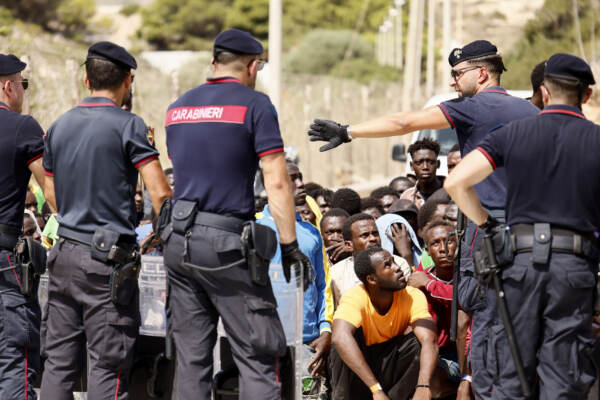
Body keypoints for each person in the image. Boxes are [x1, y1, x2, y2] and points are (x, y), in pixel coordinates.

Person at [307, 40, 542, 398]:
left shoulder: (474, 108)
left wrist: (348, 131)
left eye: (457, 74)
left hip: (486, 227)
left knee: (480, 314)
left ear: (481, 74)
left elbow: (404, 121)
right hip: (533, 232)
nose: (452, 83)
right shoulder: (532, 114)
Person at [445, 53, 599, 399]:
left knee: (510, 367)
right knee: (565, 373)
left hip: (517, 263)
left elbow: (456, 183)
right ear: (586, 95)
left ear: (544, 92)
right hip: (573, 268)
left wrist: (487, 226)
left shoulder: (511, 134)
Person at [163, 29, 307, 400]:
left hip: (179, 242)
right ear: (252, 65)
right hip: (226, 245)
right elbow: (276, 180)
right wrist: (289, 244)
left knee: (191, 360)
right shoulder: (255, 105)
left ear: (213, 63)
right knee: (259, 353)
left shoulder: (177, 107)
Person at [40, 41, 172, 399]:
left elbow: (50, 189)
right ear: (128, 81)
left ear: (86, 79)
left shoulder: (58, 126)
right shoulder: (130, 126)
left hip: (65, 253)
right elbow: (160, 193)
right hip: (107, 263)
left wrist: (74, 219)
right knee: (108, 365)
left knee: (59, 364)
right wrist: (162, 233)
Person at [258, 160, 331, 394]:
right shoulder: (255, 229)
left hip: (308, 343)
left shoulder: (311, 232)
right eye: (293, 178)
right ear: (273, 183)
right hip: (265, 342)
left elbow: (323, 286)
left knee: (309, 396)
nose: (302, 185)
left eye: (301, 177)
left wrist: (325, 329)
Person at [0, 53, 49, 400]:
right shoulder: (22, 127)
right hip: (4, 262)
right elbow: (54, 195)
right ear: (8, 86)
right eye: (23, 84)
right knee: (15, 359)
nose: (23, 93)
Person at [329, 247, 438, 400]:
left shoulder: (412, 295)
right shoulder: (355, 296)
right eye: (388, 265)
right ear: (372, 279)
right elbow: (339, 337)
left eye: (394, 261)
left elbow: (429, 340)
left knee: (418, 342)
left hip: (390, 362)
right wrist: (376, 389)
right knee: (342, 344)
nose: (398, 267)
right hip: (360, 368)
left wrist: (423, 386)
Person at [408, 219, 464, 391]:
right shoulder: (419, 281)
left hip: (471, 353)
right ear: (427, 251)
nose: (443, 249)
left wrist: (430, 285)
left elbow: (463, 298)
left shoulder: (469, 275)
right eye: (435, 244)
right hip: (439, 356)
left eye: (450, 241)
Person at [330, 213, 411, 307]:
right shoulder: (335, 273)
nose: (373, 238)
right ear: (349, 245)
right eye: (365, 235)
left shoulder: (398, 264)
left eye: (375, 233)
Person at [400, 138, 443, 209]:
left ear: (438, 164)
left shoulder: (451, 193)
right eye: (419, 162)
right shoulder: (407, 197)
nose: (425, 167)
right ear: (411, 166)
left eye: (430, 162)